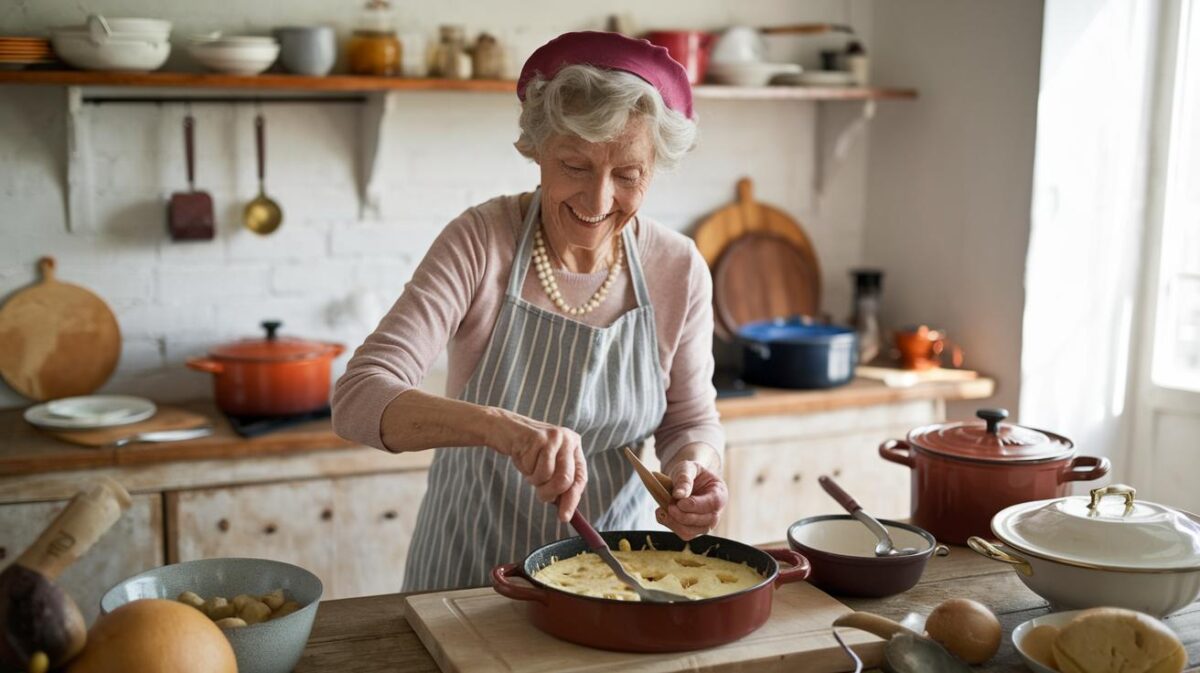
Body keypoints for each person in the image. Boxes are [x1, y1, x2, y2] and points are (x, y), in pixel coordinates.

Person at [332, 30, 727, 592]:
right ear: (537, 150)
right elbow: (357, 399)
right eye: (575, 165)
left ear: (654, 168)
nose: (597, 202)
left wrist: (697, 467)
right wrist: (500, 427)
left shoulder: (678, 267)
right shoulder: (480, 241)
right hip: (470, 576)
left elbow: (690, 420)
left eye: (627, 175)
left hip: (617, 577)